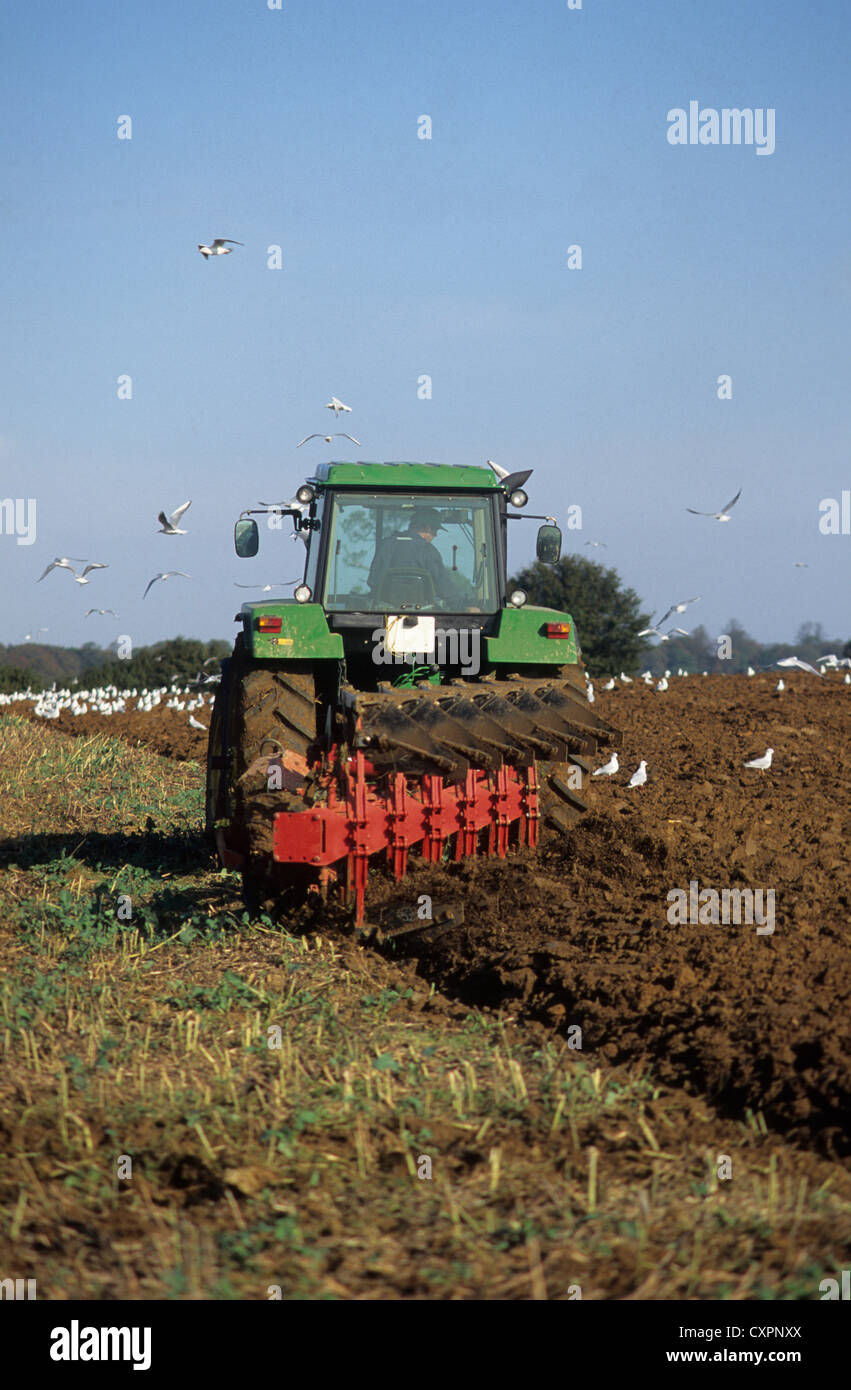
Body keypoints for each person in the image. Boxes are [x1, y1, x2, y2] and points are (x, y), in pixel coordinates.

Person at [367, 506, 477, 607]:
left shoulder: (386, 545)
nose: (436, 535)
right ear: (427, 528)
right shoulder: (428, 551)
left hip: (384, 611)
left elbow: (373, 580)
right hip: (422, 613)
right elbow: (444, 587)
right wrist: (464, 604)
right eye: (435, 531)